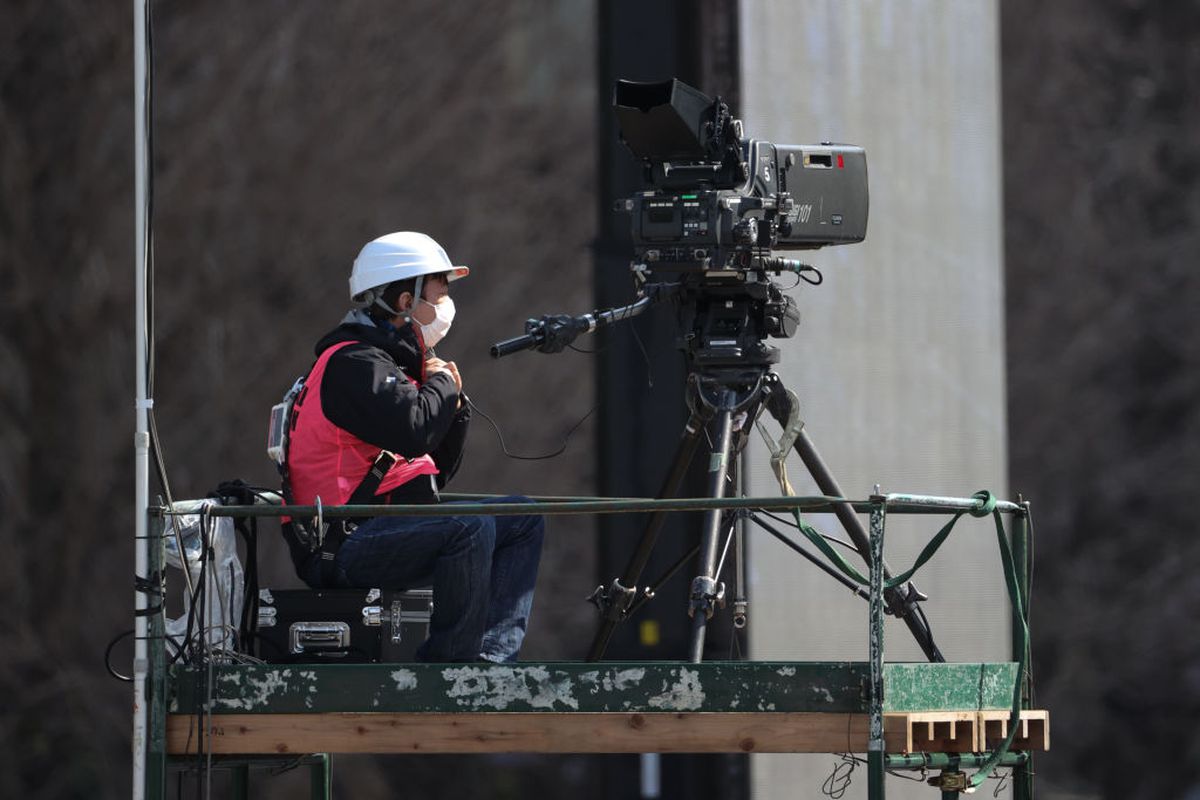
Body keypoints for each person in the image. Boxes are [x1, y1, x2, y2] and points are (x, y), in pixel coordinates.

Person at [281, 231, 544, 663]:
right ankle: (449, 665)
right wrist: (441, 384)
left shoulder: (390, 366)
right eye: (438, 295)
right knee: (468, 527)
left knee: (523, 517)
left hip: (388, 526)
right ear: (406, 301)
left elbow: (434, 467)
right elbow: (414, 431)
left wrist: (453, 405)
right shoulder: (354, 364)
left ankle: (491, 659)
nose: (445, 308)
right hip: (345, 543)